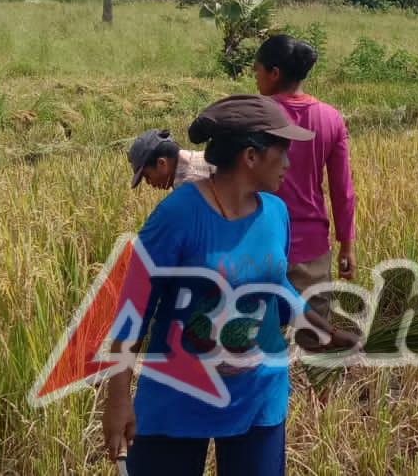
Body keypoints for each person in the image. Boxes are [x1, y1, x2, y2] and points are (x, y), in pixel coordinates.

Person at [100, 95, 358, 476]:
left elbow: (277, 288)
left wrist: (328, 332)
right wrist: (118, 397)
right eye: (282, 152)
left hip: (258, 399)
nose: (289, 163)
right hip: (179, 398)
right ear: (250, 157)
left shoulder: (276, 213)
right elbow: (134, 308)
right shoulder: (176, 216)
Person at [252, 35, 356, 317]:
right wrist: (346, 245)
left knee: (258, 335)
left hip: (258, 243)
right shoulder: (330, 118)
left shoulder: (256, 114)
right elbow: (342, 190)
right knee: (314, 334)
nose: (256, 78)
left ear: (274, 73)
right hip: (312, 248)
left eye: (257, 70)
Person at [127, 129, 215, 190]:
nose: (149, 183)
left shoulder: (188, 186)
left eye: (147, 176)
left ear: (162, 163)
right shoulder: (196, 158)